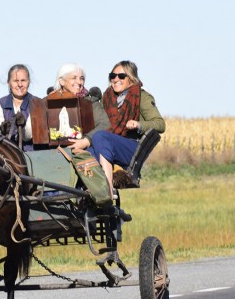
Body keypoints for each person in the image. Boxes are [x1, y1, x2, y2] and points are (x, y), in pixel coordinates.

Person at [68, 60, 165, 197]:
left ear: (131, 78)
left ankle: (106, 188)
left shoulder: (141, 97)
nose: (116, 79)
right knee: (86, 153)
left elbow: (160, 124)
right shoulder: (107, 98)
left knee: (100, 136)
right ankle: (80, 192)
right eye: (112, 76)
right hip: (109, 145)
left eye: (121, 76)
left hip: (132, 148)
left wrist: (139, 125)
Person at [0, 64, 36, 150]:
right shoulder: (1, 104)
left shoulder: (37, 103)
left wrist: (23, 126)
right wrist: (3, 132)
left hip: (33, 156)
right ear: (9, 83)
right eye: (16, 81)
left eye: (23, 80)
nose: (20, 84)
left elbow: (28, 136)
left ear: (29, 82)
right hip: (9, 157)